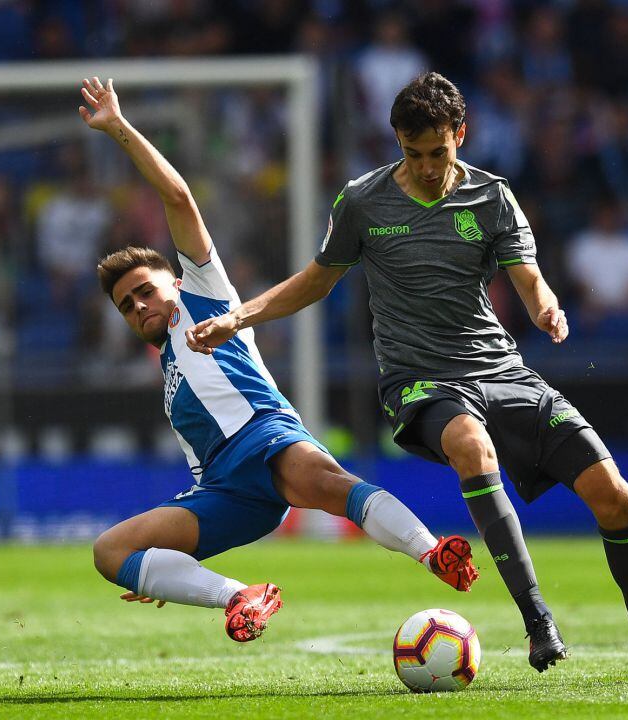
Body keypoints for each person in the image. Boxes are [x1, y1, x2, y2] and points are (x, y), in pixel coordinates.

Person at [186, 72, 628, 682]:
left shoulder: (492, 197)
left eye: (438, 151)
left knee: (615, 495)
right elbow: (316, 280)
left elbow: (529, 277)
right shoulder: (362, 201)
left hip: (501, 370)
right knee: (471, 445)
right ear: (398, 143)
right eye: (414, 153)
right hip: (419, 378)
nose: (427, 166)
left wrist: (546, 308)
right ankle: (538, 620)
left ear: (460, 134)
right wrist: (238, 317)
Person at [76, 76, 477, 643]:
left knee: (332, 484)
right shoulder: (167, 368)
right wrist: (164, 571)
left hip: (264, 438)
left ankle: (433, 552)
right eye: (127, 305)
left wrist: (119, 128)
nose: (139, 305)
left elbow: (178, 198)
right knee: (112, 551)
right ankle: (240, 597)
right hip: (223, 487)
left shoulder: (204, 295)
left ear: (176, 281)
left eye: (145, 290)